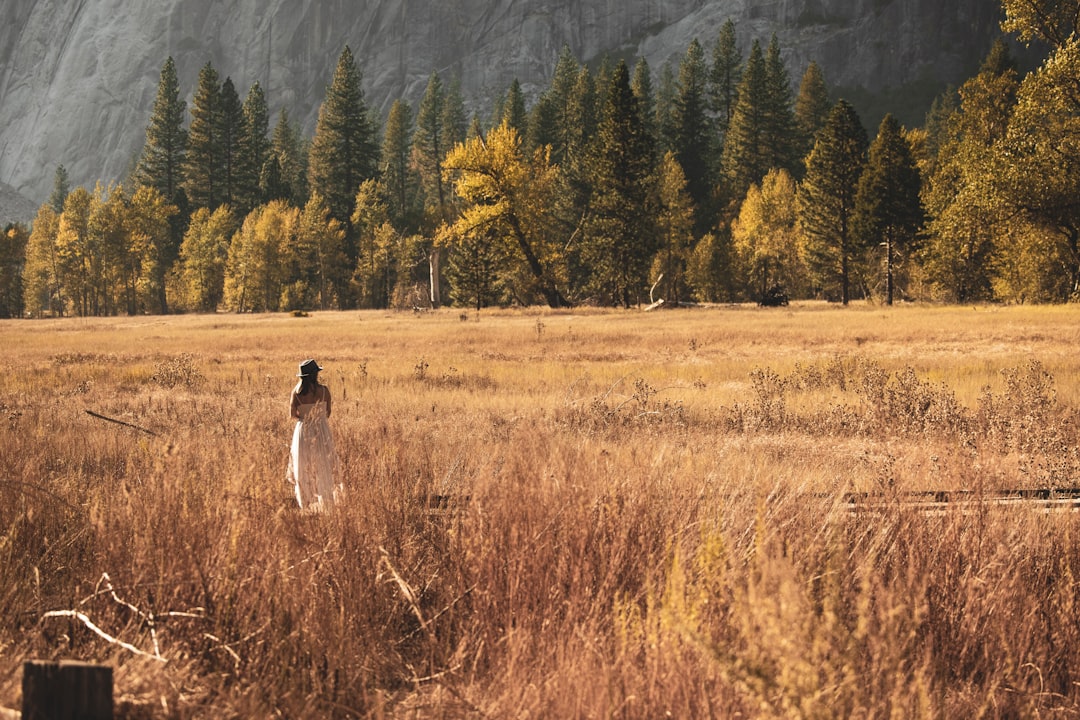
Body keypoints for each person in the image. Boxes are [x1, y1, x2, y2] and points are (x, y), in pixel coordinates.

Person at [286, 359, 337, 509]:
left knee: (304, 465)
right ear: (315, 374)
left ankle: (307, 504)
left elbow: (292, 415)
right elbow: (327, 413)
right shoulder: (324, 391)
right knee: (324, 464)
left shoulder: (296, 392)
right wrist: (317, 420)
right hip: (321, 429)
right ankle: (327, 503)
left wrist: (305, 418)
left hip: (302, 431)